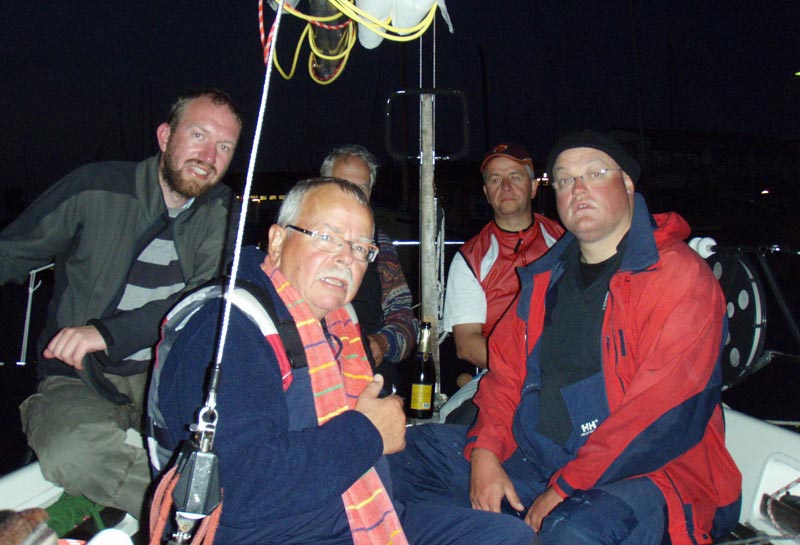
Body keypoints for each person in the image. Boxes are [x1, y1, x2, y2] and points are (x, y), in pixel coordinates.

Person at [389, 131, 742, 545]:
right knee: (400, 458)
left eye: (594, 173)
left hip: (652, 472)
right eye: (565, 179)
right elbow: (505, 378)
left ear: (627, 183)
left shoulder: (678, 277)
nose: (579, 189)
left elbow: (659, 419)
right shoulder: (543, 280)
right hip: (540, 453)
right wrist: (485, 452)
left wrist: (565, 488)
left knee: (571, 530)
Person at [150, 178, 534, 545]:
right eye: (327, 237)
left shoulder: (337, 327)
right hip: (281, 533)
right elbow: (239, 490)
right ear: (278, 241)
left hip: (356, 507)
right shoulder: (231, 330)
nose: (345, 258)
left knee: (508, 534)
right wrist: (367, 432)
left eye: (360, 247)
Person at [0, 88, 243, 519]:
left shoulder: (220, 211)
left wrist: (108, 333)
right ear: (165, 136)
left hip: (164, 379)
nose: (209, 155)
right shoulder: (97, 188)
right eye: (199, 135)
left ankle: (210, 510)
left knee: (243, 431)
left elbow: (203, 302)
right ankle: (199, 517)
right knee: (69, 450)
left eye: (224, 146)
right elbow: (12, 251)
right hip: (79, 378)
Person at [439, 143, 563, 423]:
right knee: (459, 427)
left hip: (564, 369)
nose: (505, 186)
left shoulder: (567, 242)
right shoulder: (470, 257)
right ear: (487, 194)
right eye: (495, 179)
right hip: (498, 374)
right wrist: (524, 370)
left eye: (515, 177)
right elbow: (467, 344)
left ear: (532, 187)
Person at [321, 145, 418, 390]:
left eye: (360, 189)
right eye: (342, 185)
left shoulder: (382, 246)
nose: (351, 196)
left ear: (370, 192)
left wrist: (382, 344)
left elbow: (404, 317)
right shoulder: (300, 240)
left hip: (368, 373)